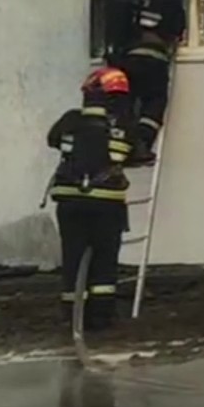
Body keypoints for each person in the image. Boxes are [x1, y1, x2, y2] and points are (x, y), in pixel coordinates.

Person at [47, 66, 137, 332]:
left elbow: (52, 139)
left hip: (69, 202)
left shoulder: (70, 120)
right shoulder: (122, 124)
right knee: (104, 261)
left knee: (73, 258)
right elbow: (135, 153)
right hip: (107, 203)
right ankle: (101, 318)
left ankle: (72, 316)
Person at [105, 0, 184, 163]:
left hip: (127, 58)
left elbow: (116, 27)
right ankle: (142, 144)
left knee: (125, 103)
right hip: (154, 58)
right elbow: (177, 28)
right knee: (154, 102)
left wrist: (114, 56)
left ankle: (122, 148)